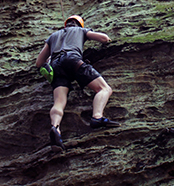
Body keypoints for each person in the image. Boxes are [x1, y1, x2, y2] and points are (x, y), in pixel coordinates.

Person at [35, 14, 119, 151]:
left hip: (55, 66)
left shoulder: (53, 36)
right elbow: (103, 39)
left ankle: (55, 128)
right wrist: (107, 39)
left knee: (59, 102)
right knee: (104, 89)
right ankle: (97, 117)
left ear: (66, 24)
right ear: (80, 24)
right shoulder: (81, 30)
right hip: (72, 59)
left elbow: (39, 63)